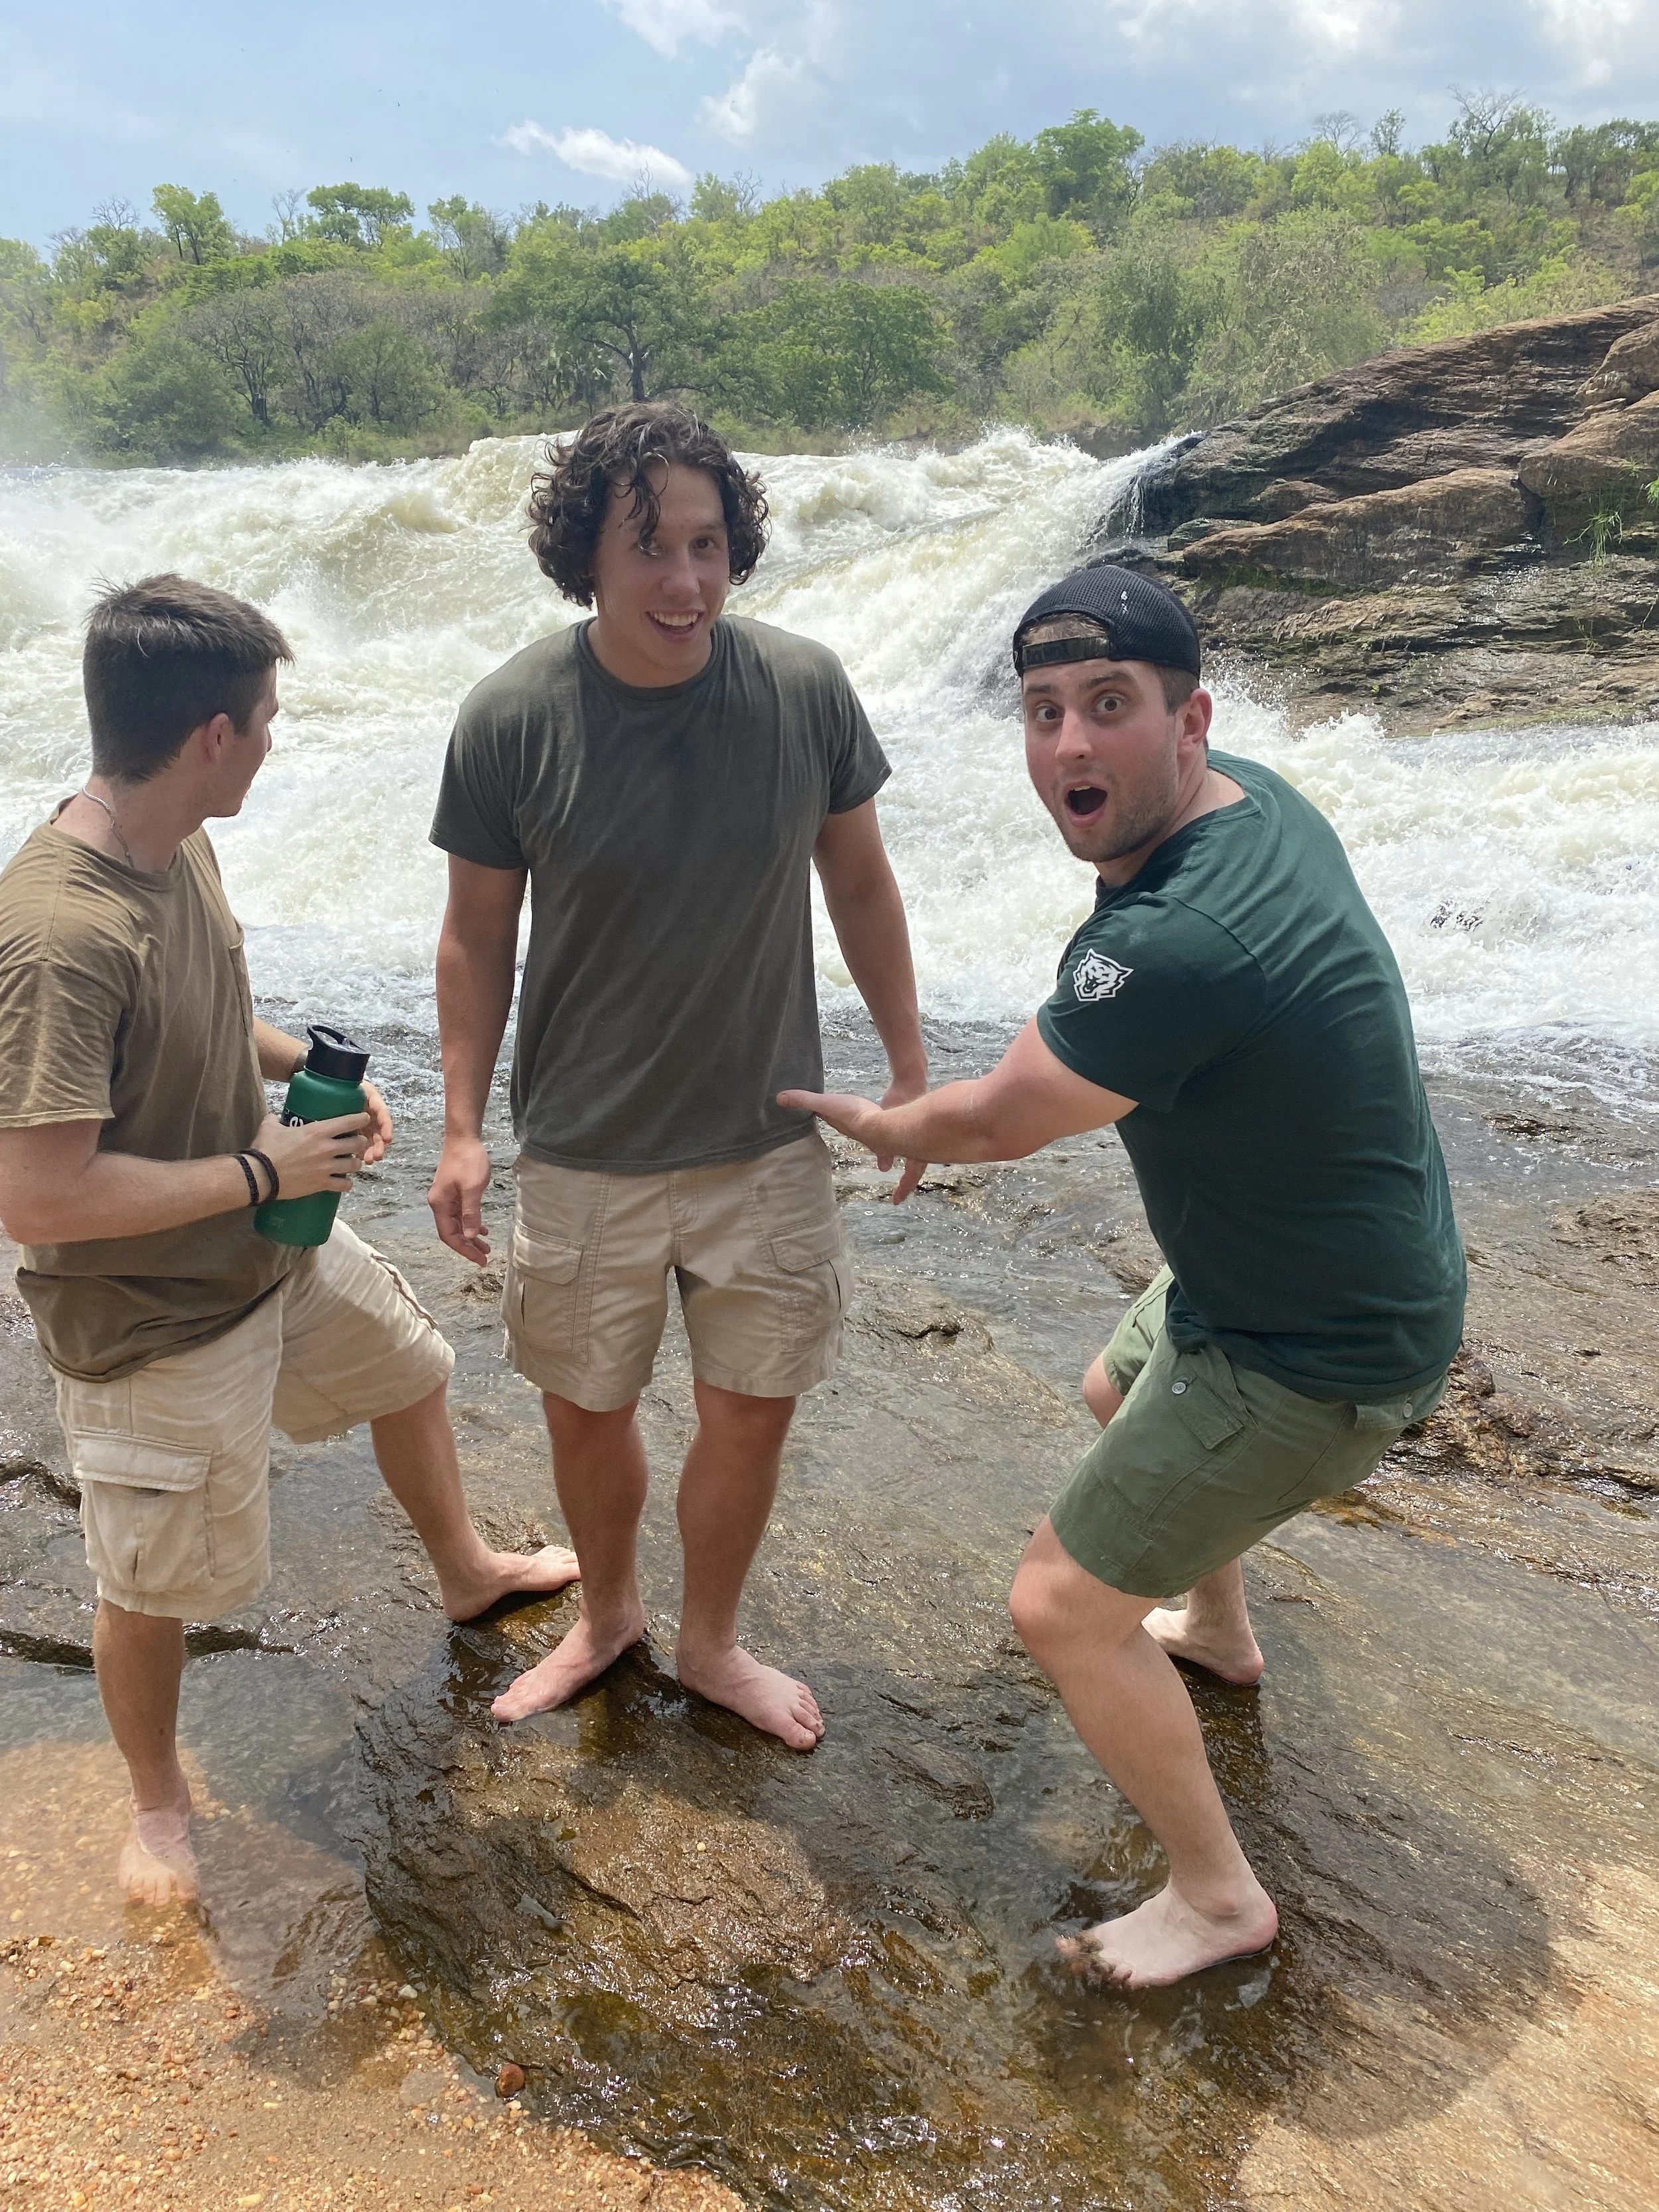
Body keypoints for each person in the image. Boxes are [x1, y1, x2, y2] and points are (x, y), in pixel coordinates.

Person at [782, 563, 1465, 1984]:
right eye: (1041, 711)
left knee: (1055, 1605)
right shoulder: (1257, 803)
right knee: (1109, 1382)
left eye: (1107, 706)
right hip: (1321, 1270)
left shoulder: (1171, 943)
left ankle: (1217, 1898)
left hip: (1308, 1347)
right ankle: (1216, 1631)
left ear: (1189, 716)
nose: (1069, 746)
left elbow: (995, 1121)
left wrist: (885, 1118)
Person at [0, 575, 579, 1908]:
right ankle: (157, 1805)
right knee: (147, 1584)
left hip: (269, 1247)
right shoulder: (56, 936)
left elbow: (208, 1001)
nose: (272, 742)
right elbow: (40, 1197)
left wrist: (301, 1067)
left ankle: (466, 1571)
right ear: (212, 734)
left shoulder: (175, 835)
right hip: (148, 1315)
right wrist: (265, 1161)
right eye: (265, 721)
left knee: (409, 1366)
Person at [426, 401, 928, 1751]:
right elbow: (477, 937)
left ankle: (708, 1641)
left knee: (748, 1415)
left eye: (707, 545)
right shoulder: (511, 716)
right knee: (585, 1412)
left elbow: (860, 883)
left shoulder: (804, 688)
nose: (684, 582)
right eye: (650, 549)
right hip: (582, 1149)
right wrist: (462, 1128)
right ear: (583, 555)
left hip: (764, 1138)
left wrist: (910, 1070)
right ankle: (606, 1619)